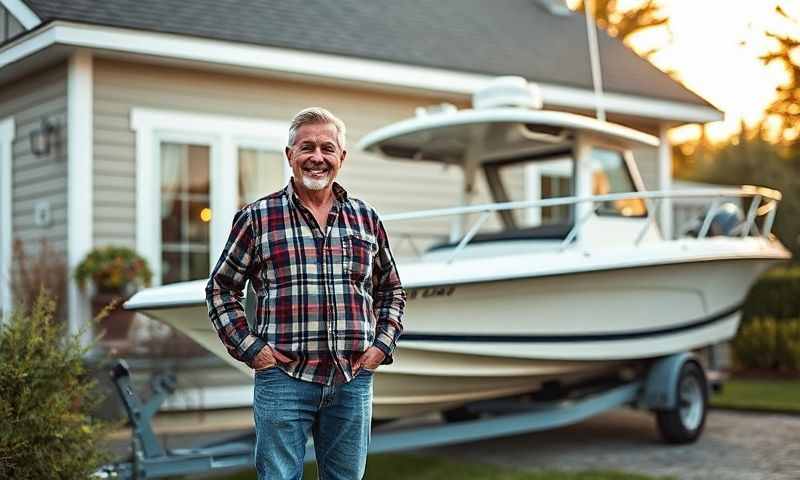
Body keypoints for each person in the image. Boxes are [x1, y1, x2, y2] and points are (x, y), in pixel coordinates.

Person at [205, 107, 405, 480]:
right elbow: (221, 289)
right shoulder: (257, 217)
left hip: (352, 380)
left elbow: (391, 290)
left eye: (327, 149)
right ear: (290, 155)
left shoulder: (366, 219)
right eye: (307, 147)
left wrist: (382, 346)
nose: (317, 157)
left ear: (341, 158)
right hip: (283, 380)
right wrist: (253, 350)